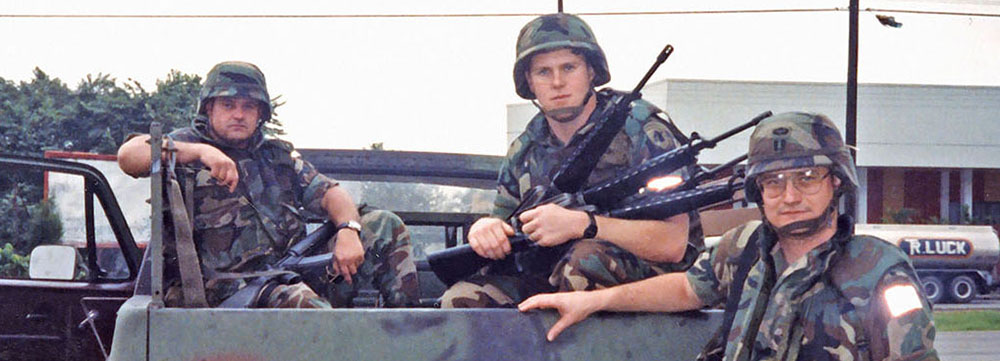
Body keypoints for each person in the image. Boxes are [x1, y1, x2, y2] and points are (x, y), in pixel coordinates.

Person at [519, 112, 938, 360]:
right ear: (758, 192)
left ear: (836, 183)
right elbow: (685, 288)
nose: (790, 196)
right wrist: (591, 300)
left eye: (807, 178)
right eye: (773, 182)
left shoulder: (881, 272)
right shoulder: (746, 248)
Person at [439, 13, 702, 308]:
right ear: (529, 81)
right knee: (462, 299)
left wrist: (584, 224)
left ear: (591, 71)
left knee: (584, 261)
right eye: (543, 72)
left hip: (651, 281)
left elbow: (673, 243)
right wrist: (485, 230)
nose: (557, 82)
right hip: (550, 273)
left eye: (569, 67)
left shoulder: (639, 130)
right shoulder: (525, 149)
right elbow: (505, 225)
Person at [118, 61, 418, 308]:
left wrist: (348, 230)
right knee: (303, 305)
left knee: (383, 224)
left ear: (261, 113)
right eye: (228, 104)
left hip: (290, 274)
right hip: (219, 290)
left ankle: (412, 337)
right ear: (208, 108)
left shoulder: (276, 156)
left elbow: (331, 192)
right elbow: (129, 156)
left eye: (249, 106)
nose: (238, 114)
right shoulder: (184, 145)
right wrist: (200, 152)